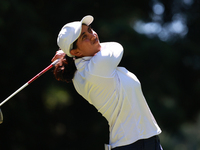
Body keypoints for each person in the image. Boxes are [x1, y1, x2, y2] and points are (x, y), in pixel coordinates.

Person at [51, 15, 163, 150]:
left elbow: (82, 56)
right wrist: (67, 54)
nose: (92, 36)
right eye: (84, 37)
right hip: (133, 145)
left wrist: (68, 54)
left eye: (90, 30)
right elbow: (117, 46)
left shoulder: (79, 73)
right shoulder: (97, 66)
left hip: (143, 141)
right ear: (76, 51)